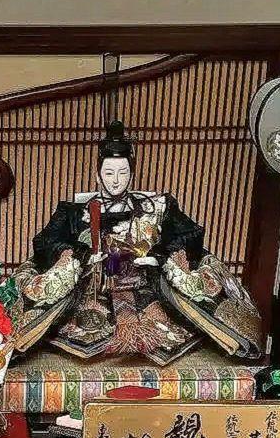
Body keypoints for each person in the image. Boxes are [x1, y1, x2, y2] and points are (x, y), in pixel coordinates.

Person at [16, 121, 261, 365]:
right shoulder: (74, 211)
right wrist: (80, 255)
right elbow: (45, 241)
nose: (116, 181)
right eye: (109, 173)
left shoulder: (157, 206)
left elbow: (192, 234)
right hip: (93, 288)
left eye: (123, 173)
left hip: (146, 287)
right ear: (98, 175)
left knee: (181, 309)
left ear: (132, 174)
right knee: (76, 321)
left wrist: (159, 256)